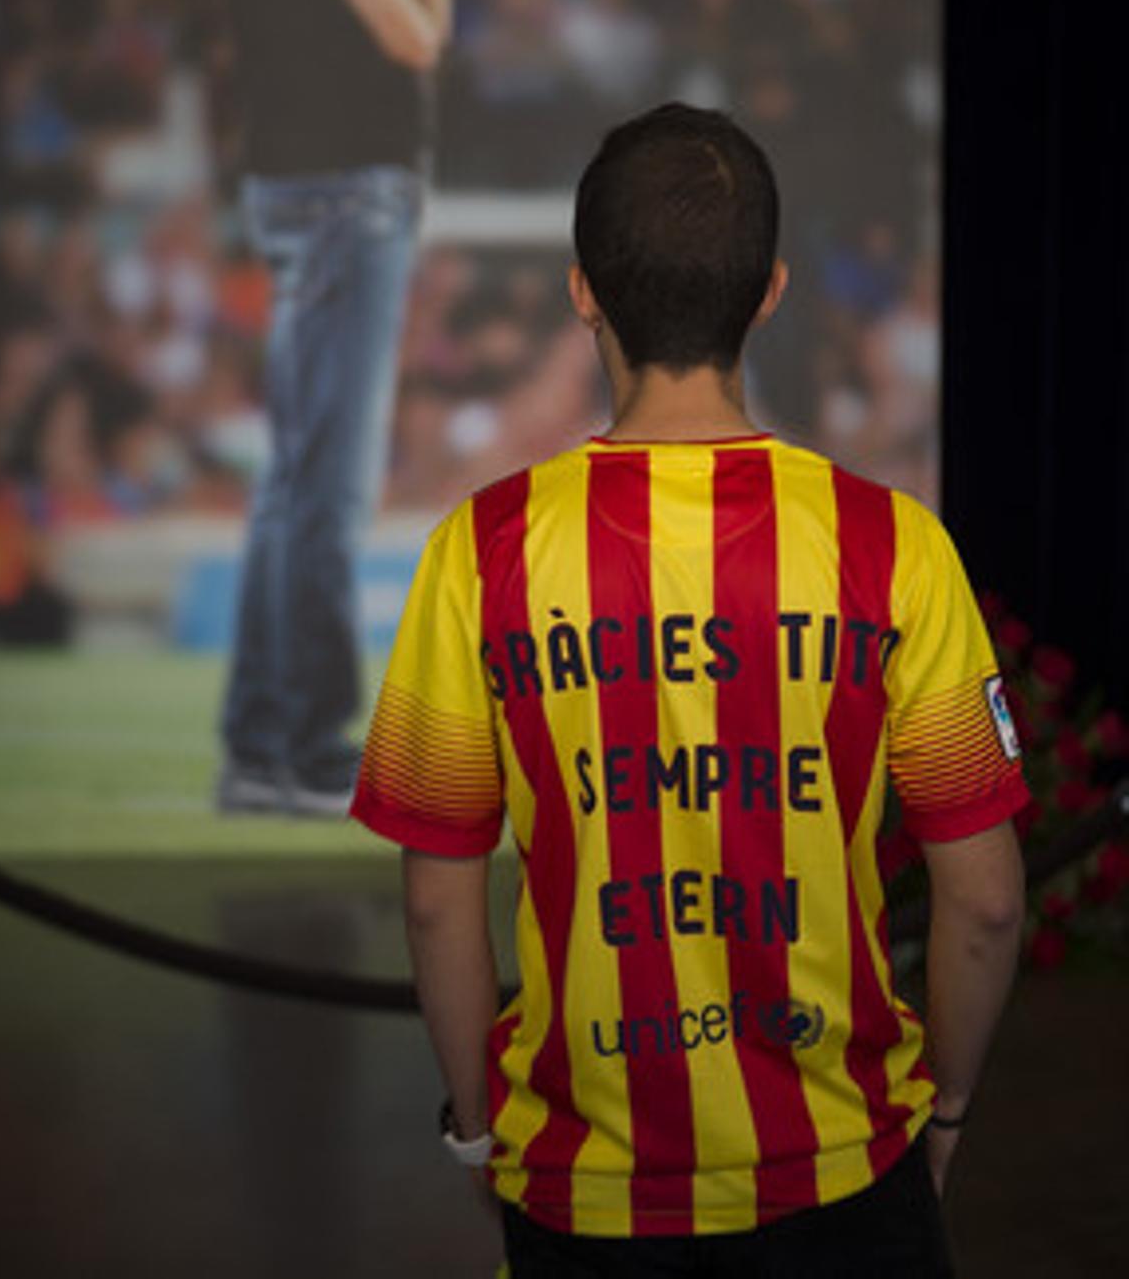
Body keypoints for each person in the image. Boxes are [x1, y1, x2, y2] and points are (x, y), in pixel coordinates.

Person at [351, 103, 1029, 1276]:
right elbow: (984, 901)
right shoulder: (893, 542)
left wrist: (476, 1131)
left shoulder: (481, 548)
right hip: (846, 1161)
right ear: (767, 293)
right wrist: (949, 1112)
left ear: (582, 293)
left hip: (583, 1181)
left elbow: (435, 900)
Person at [213, 0, 452, 815]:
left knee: (301, 481)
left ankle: (266, 748)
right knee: (326, 486)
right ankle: (302, 750)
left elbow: (430, 28)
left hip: (327, 185)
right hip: (341, 188)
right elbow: (415, 36)